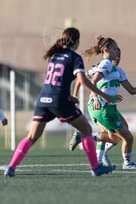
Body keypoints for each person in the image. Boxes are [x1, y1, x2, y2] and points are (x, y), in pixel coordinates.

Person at [4, 27, 116, 177]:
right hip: (59, 101)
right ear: (76, 41)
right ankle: (95, 168)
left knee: (31, 136)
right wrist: (103, 95)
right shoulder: (75, 57)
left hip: (43, 99)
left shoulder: (54, 55)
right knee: (86, 130)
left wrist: (69, 97)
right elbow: (83, 81)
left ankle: (11, 167)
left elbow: (55, 82)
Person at [69, 48, 136, 167]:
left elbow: (131, 90)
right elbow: (83, 80)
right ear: (108, 52)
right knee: (126, 137)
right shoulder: (102, 66)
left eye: (120, 55)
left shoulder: (119, 71)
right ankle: (126, 163)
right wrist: (80, 97)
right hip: (99, 106)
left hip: (111, 107)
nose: (118, 57)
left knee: (116, 136)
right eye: (116, 53)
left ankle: (97, 157)